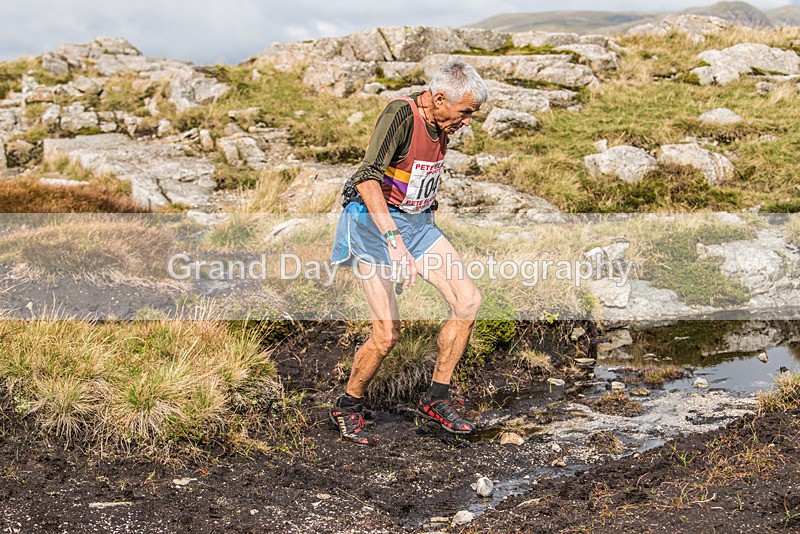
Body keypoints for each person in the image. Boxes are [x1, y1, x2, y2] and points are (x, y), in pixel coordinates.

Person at [329, 61, 488, 446]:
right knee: (387, 335)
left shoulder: (443, 124)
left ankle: (437, 398)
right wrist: (394, 243)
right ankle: (347, 405)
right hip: (373, 229)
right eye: (465, 112)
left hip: (418, 227)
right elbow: (367, 179)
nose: (467, 121)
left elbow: (417, 182)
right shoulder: (400, 114)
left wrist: (413, 235)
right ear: (439, 99)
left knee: (468, 301)